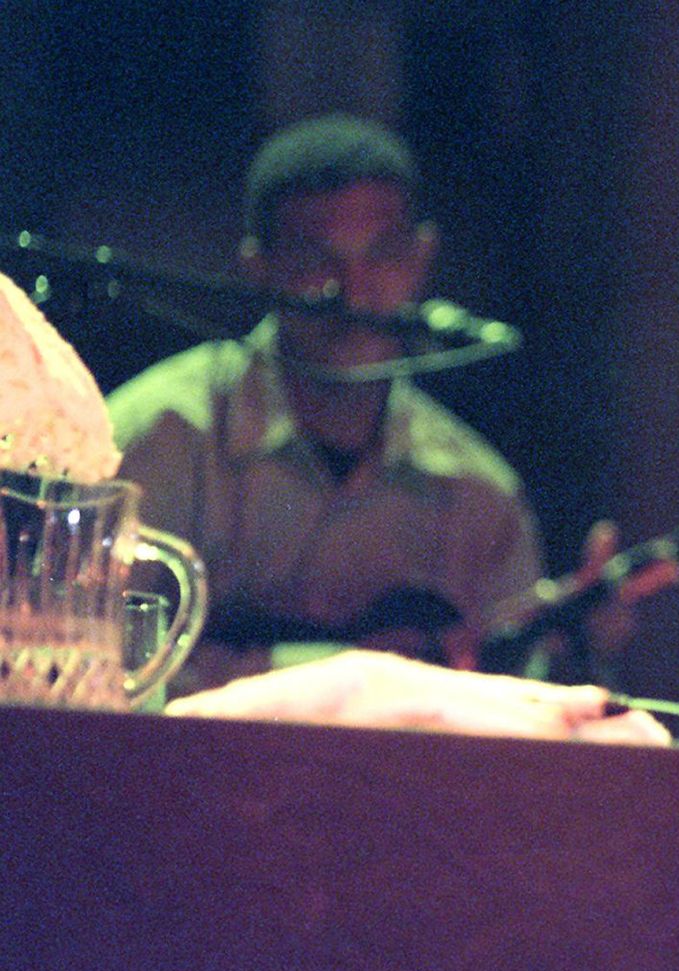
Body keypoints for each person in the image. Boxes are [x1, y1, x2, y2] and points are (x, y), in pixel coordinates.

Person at [107, 114, 544, 693]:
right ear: (258, 266)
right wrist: (333, 674)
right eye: (315, 258)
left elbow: (515, 705)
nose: (352, 290)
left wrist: (582, 650)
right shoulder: (159, 436)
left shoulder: (479, 493)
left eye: (381, 253)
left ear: (421, 257)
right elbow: (90, 665)